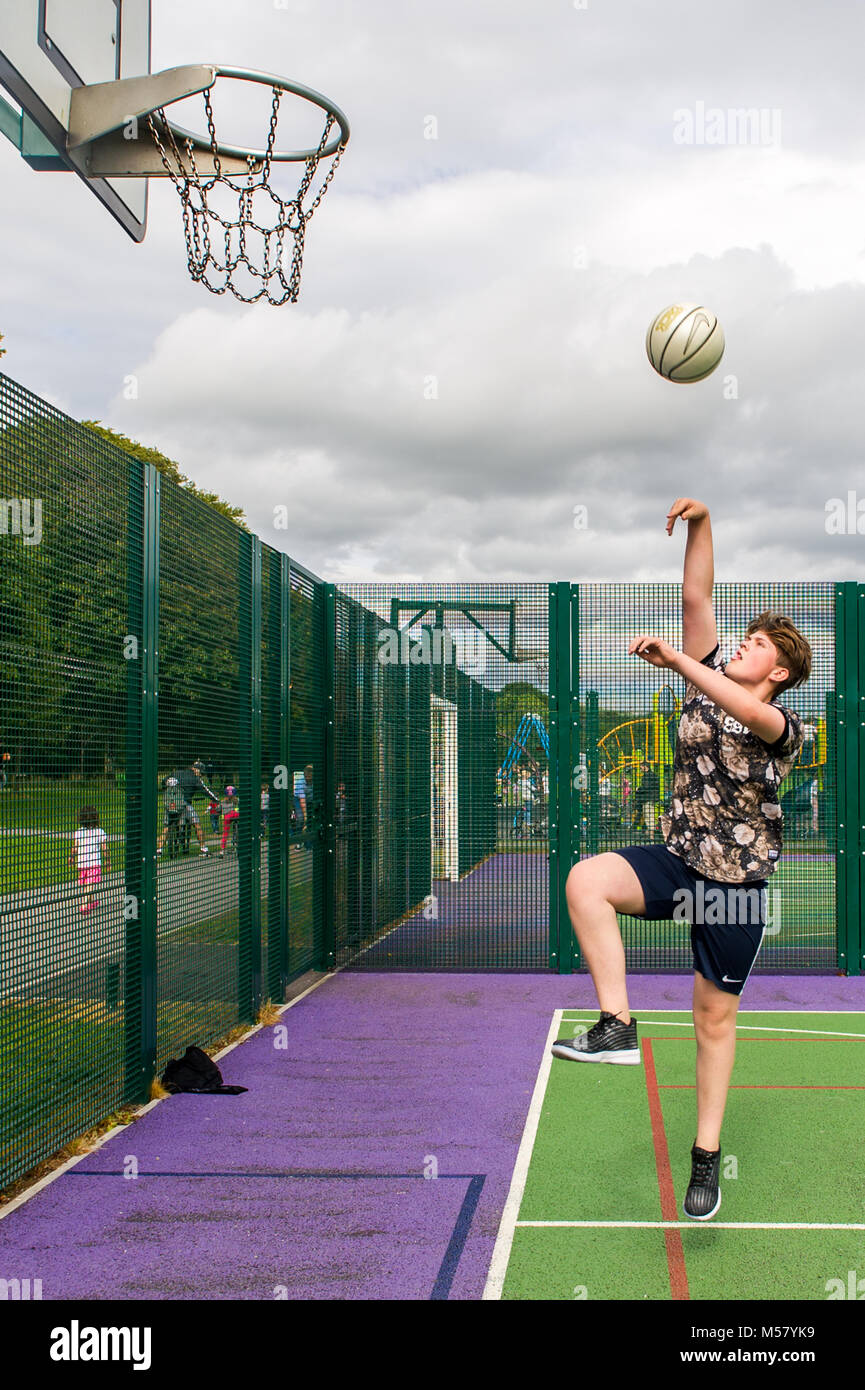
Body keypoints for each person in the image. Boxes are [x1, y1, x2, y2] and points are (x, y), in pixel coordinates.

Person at [552, 497, 810, 1223]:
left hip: (733, 888)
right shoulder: (708, 667)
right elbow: (696, 594)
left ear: (781, 673)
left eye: (760, 645)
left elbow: (741, 708)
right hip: (677, 859)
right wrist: (702, 521)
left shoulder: (782, 724)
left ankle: (704, 1162)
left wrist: (675, 661)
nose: (744, 644)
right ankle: (616, 1024)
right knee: (585, 880)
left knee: (711, 1023)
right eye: (747, 635)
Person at [69, 805, 111, 913]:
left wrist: (72, 857)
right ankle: (84, 905)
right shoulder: (99, 832)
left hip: (82, 863)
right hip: (94, 863)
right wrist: (108, 860)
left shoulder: (78, 832)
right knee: (90, 884)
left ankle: (92, 901)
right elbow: (105, 848)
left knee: (88, 884)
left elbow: (75, 847)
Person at [219, 785, 239, 857]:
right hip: (235, 815)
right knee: (237, 830)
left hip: (227, 817)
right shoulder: (236, 800)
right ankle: (236, 846)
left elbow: (218, 809)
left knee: (225, 833)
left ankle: (222, 850)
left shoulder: (223, 801)